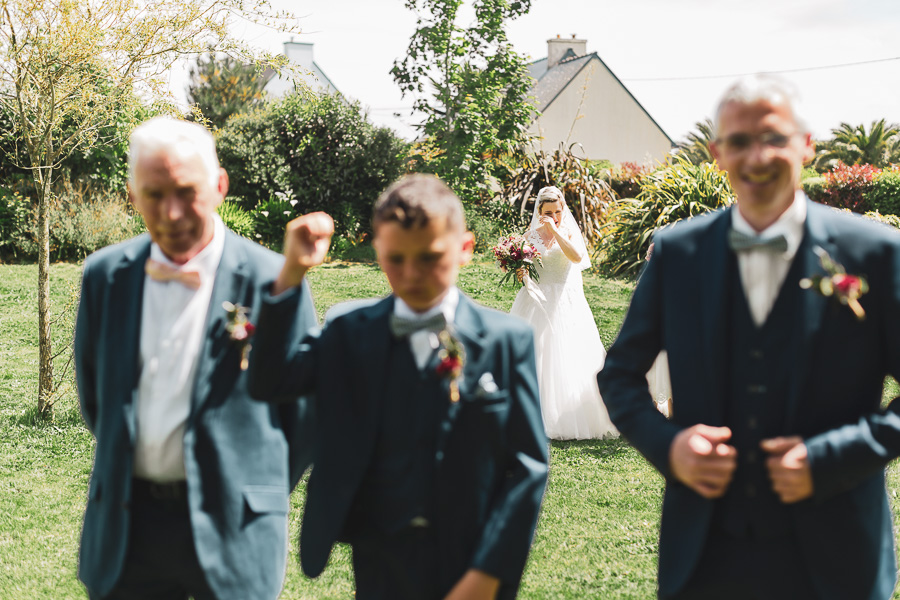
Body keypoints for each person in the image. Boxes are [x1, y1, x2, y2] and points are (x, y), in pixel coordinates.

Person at [597, 74, 900, 600]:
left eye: (774, 138)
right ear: (717, 153)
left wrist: (833, 457)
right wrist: (671, 448)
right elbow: (620, 376)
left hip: (839, 554)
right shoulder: (677, 252)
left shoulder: (875, 250)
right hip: (707, 552)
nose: (757, 156)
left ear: (807, 145)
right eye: (739, 142)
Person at [248, 173, 548, 600]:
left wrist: (487, 573)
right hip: (379, 549)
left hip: (472, 554)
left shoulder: (506, 340)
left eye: (429, 258)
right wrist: (291, 274)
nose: (411, 274)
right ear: (378, 251)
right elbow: (270, 381)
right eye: (396, 259)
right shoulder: (349, 331)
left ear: (465, 248)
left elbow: (529, 465)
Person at [74, 117, 316, 600]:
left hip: (234, 527)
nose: (172, 212)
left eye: (187, 191)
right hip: (129, 526)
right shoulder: (105, 275)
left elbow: (303, 412)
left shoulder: (275, 279)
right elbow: (96, 395)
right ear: (131, 194)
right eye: (153, 194)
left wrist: (254, 490)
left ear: (220, 186)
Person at [509, 186, 617, 439]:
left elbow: (577, 257)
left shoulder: (567, 231)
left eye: (557, 211)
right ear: (539, 211)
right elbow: (526, 265)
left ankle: (569, 415)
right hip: (536, 298)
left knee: (567, 351)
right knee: (537, 351)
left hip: (565, 299)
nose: (554, 216)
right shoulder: (530, 235)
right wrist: (521, 271)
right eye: (548, 212)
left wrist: (555, 231)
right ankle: (531, 413)